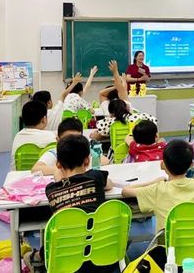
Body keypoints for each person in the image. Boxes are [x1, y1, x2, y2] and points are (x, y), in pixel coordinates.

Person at [24, 134, 115, 273]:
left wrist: (59, 179)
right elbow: (109, 185)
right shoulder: (95, 177)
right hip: (104, 257)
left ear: (58, 164)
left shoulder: (51, 189)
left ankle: (37, 258)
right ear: (87, 160)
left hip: (66, 261)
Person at [121, 140, 194, 233]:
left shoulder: (157, 189)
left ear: (162, 165)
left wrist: (152, 182)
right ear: (192, 164)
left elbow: (125, 191)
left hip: (167, 245)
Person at [31, 117, 105, 175]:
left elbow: (104, 160)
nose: (72, 144)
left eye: (77, 139)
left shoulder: (85, 150)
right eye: (67, 140)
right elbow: (35, 169)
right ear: (58, 140)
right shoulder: (55, 153)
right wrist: (70, 169)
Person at [10, 101, 56, 170]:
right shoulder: (51, 137)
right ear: (44, 120)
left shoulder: (17, 137)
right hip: (46, 174)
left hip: (20, 174)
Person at [91, 99, 157, 141]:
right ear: (127, 108)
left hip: (119, 153)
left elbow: (97, 136)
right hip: (140, 149)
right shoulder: (140, 116)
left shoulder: (109, 122)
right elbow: (154, 121)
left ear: (111, 113)